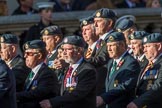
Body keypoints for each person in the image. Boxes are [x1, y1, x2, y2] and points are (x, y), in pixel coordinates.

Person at [40, 35, 96, 108]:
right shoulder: (68, 68)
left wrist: (52, 102)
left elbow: (77, 94)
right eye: (63, 49)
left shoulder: (88, 70)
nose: (64, 53)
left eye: (67, 49)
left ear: (79, 51)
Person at [96, 32, 140, 108]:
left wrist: (103, 98)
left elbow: (125, 86)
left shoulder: (131, 63)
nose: (109, 49)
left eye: (112, 45)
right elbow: (107, 86)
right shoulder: (111, 62)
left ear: (122, 45)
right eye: (107, 46)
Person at [17, 40, 59, 108]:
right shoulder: (32, 72)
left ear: (39, 56)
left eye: (28, 53)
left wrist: (14, 95)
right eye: (25, 53)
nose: (25, 56)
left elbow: (38, 93)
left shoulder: (47, 74)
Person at [127, 33, 162, 108]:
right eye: (144, 46)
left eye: (148, 46)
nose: (144, 50)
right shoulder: (148, 63)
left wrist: (138, 102)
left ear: (159, 46)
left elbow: (159, 86)